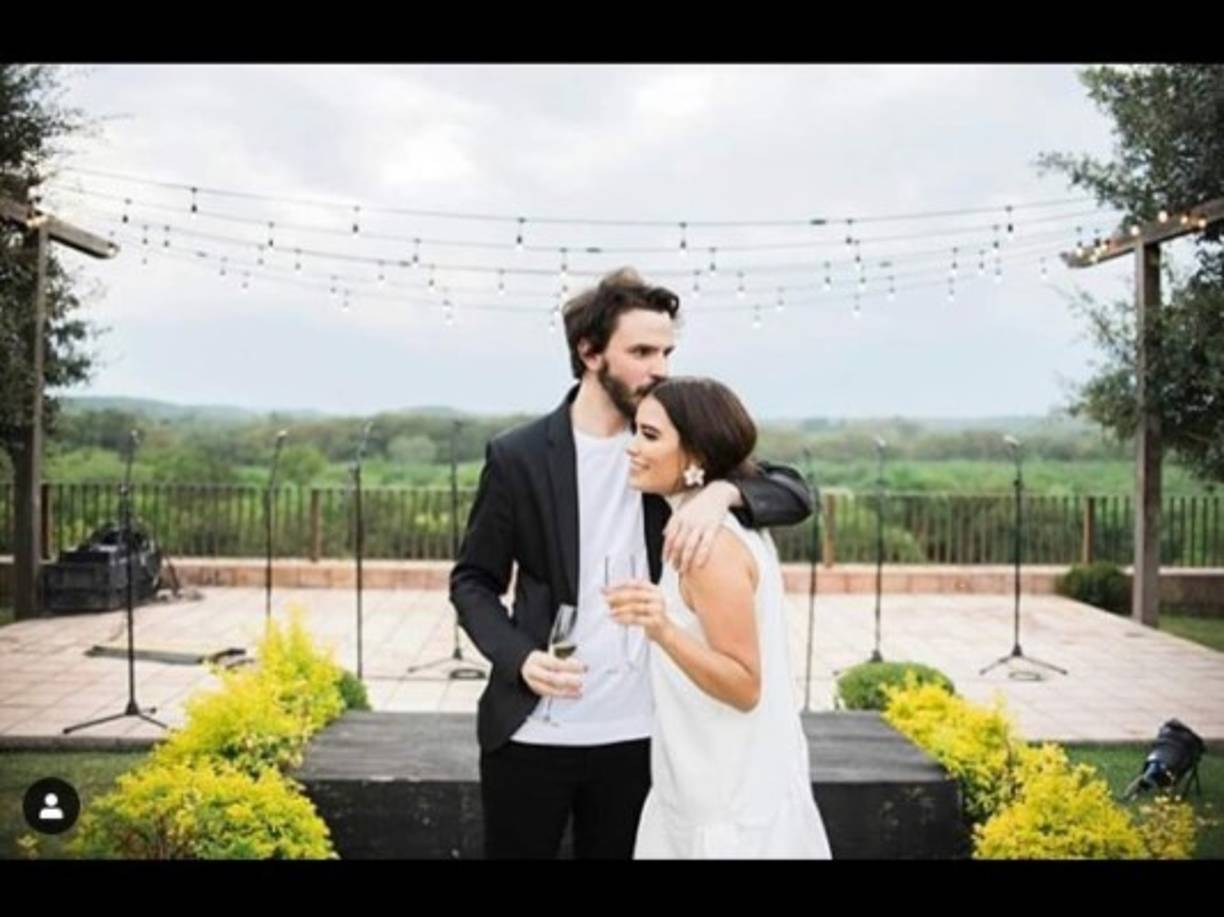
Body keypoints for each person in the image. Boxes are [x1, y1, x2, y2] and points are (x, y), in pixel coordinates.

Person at [450, 268, 813, 859]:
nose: (661, 368)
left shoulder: (669, 446)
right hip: (534, 728)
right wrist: (519, 659)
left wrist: (724, 494)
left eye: (668, 351)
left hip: (644, 736)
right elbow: (472, 580)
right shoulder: (517, 456)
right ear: (590, 353)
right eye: (642, 351)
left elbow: (795, 492)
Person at [606, 376, 832, 859]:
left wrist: (660, 628)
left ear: (695, 457)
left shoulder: (707, 547)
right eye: (635, 431)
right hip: (703, 781)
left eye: (650, 436)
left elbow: (744, 684)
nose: (632, 447)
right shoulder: (701, 522)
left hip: (725, 801)